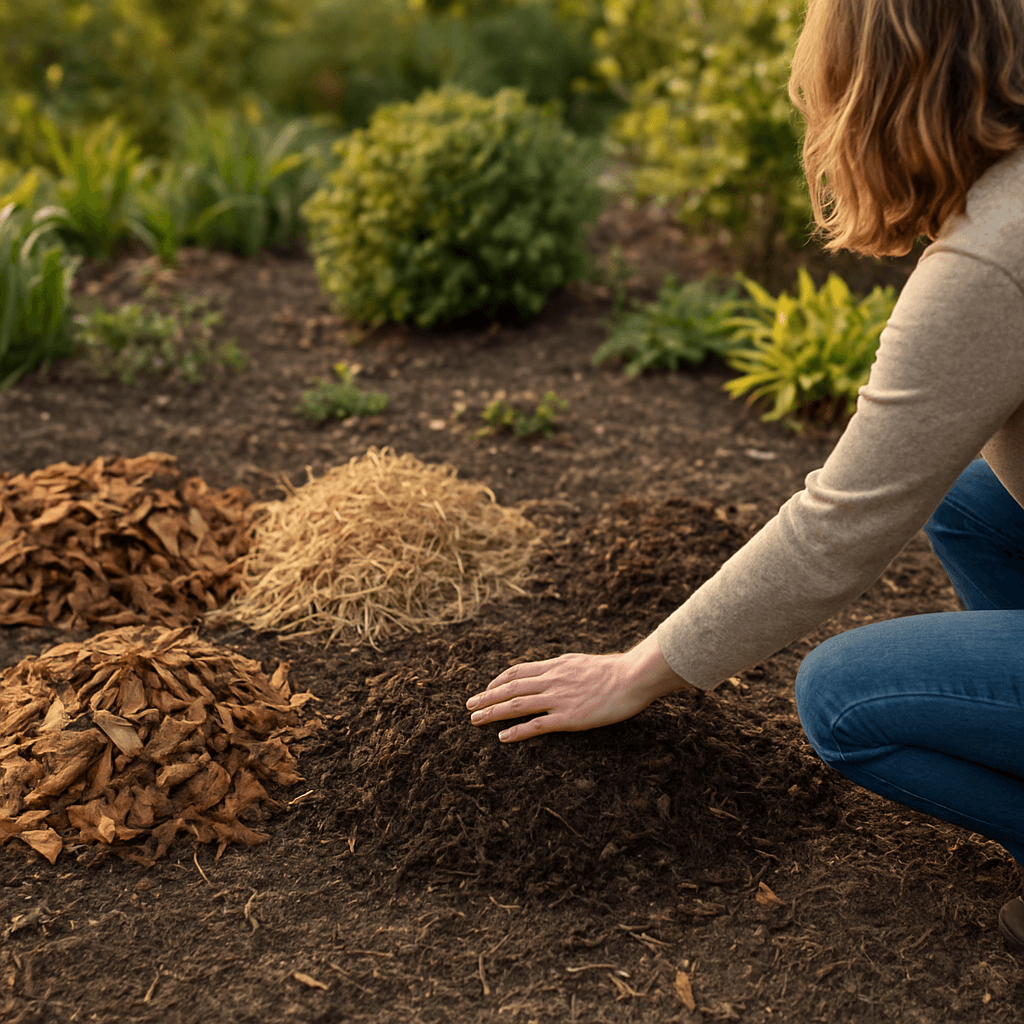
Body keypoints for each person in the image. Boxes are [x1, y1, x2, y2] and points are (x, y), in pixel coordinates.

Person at [465, 0, 1024, 955]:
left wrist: (636, 671)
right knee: (973, 504)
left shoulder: (993, 254)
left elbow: (838, 528)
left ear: (878, 89)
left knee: (844, 696)